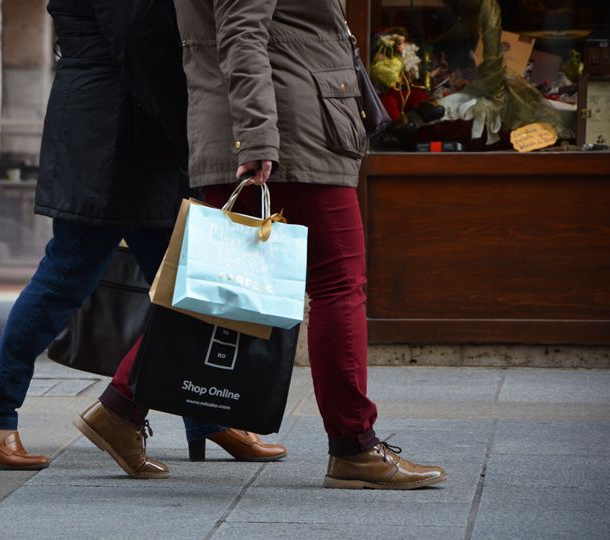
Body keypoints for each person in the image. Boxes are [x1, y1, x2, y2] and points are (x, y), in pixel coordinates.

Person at [0, 0, 285, 478]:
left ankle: (209, 415)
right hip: (115, 133)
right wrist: (189, 138)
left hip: (123, 129)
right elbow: (140, 42)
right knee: (69, 274)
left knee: (183, 287)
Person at [164, 0, 449, 489]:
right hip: (288, 133)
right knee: (338, 285)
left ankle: (121, 407)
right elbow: (240, 32)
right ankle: (354, 446)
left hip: (278, 126)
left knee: (218, 290)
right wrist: (256, 138)